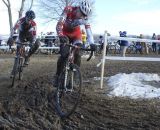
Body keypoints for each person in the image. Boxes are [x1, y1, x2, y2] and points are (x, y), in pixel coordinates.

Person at [54, 0, 95, 86]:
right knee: (64, 54)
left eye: (85, 15)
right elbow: (59, 24)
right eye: (82, 13)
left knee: (78, 53)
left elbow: (89, 32)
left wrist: (92, 43)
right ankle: (57, 76)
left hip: (76, 35)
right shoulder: (68, 9)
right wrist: (60, 35)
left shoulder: (85, 18)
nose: (82, 17)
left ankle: (75, 77)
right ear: (78, 8)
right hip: (64, 34)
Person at [9, 10, 40, 77]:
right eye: (28, 18)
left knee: (37, 44)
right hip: (21, 35)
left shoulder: (33, 24)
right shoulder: (20, 20)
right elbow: (14, 29)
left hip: (30, 36)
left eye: (31, 19)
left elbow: (34, 34)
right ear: (25, 16)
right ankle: (13, 72)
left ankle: (28, 56)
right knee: (18, 53)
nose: (29, 20)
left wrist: (33, 43)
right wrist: (11, 37)